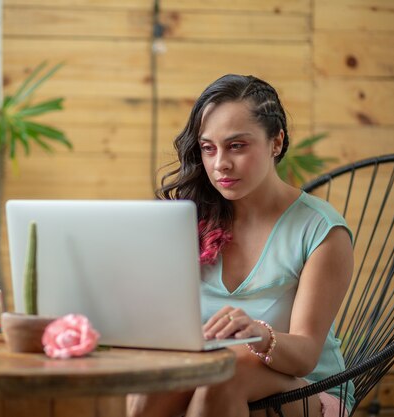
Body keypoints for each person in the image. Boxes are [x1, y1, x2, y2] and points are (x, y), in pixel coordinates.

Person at [128, 75, 354, 417]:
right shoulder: (189, 219)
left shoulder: (322, 230)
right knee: (151, 388)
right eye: (208, 148)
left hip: (309, 387)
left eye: (237, 146)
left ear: (276, 142)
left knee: (223, 374)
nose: (220, 164)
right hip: (206, 370)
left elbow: (307, 355)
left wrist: (258, 335)